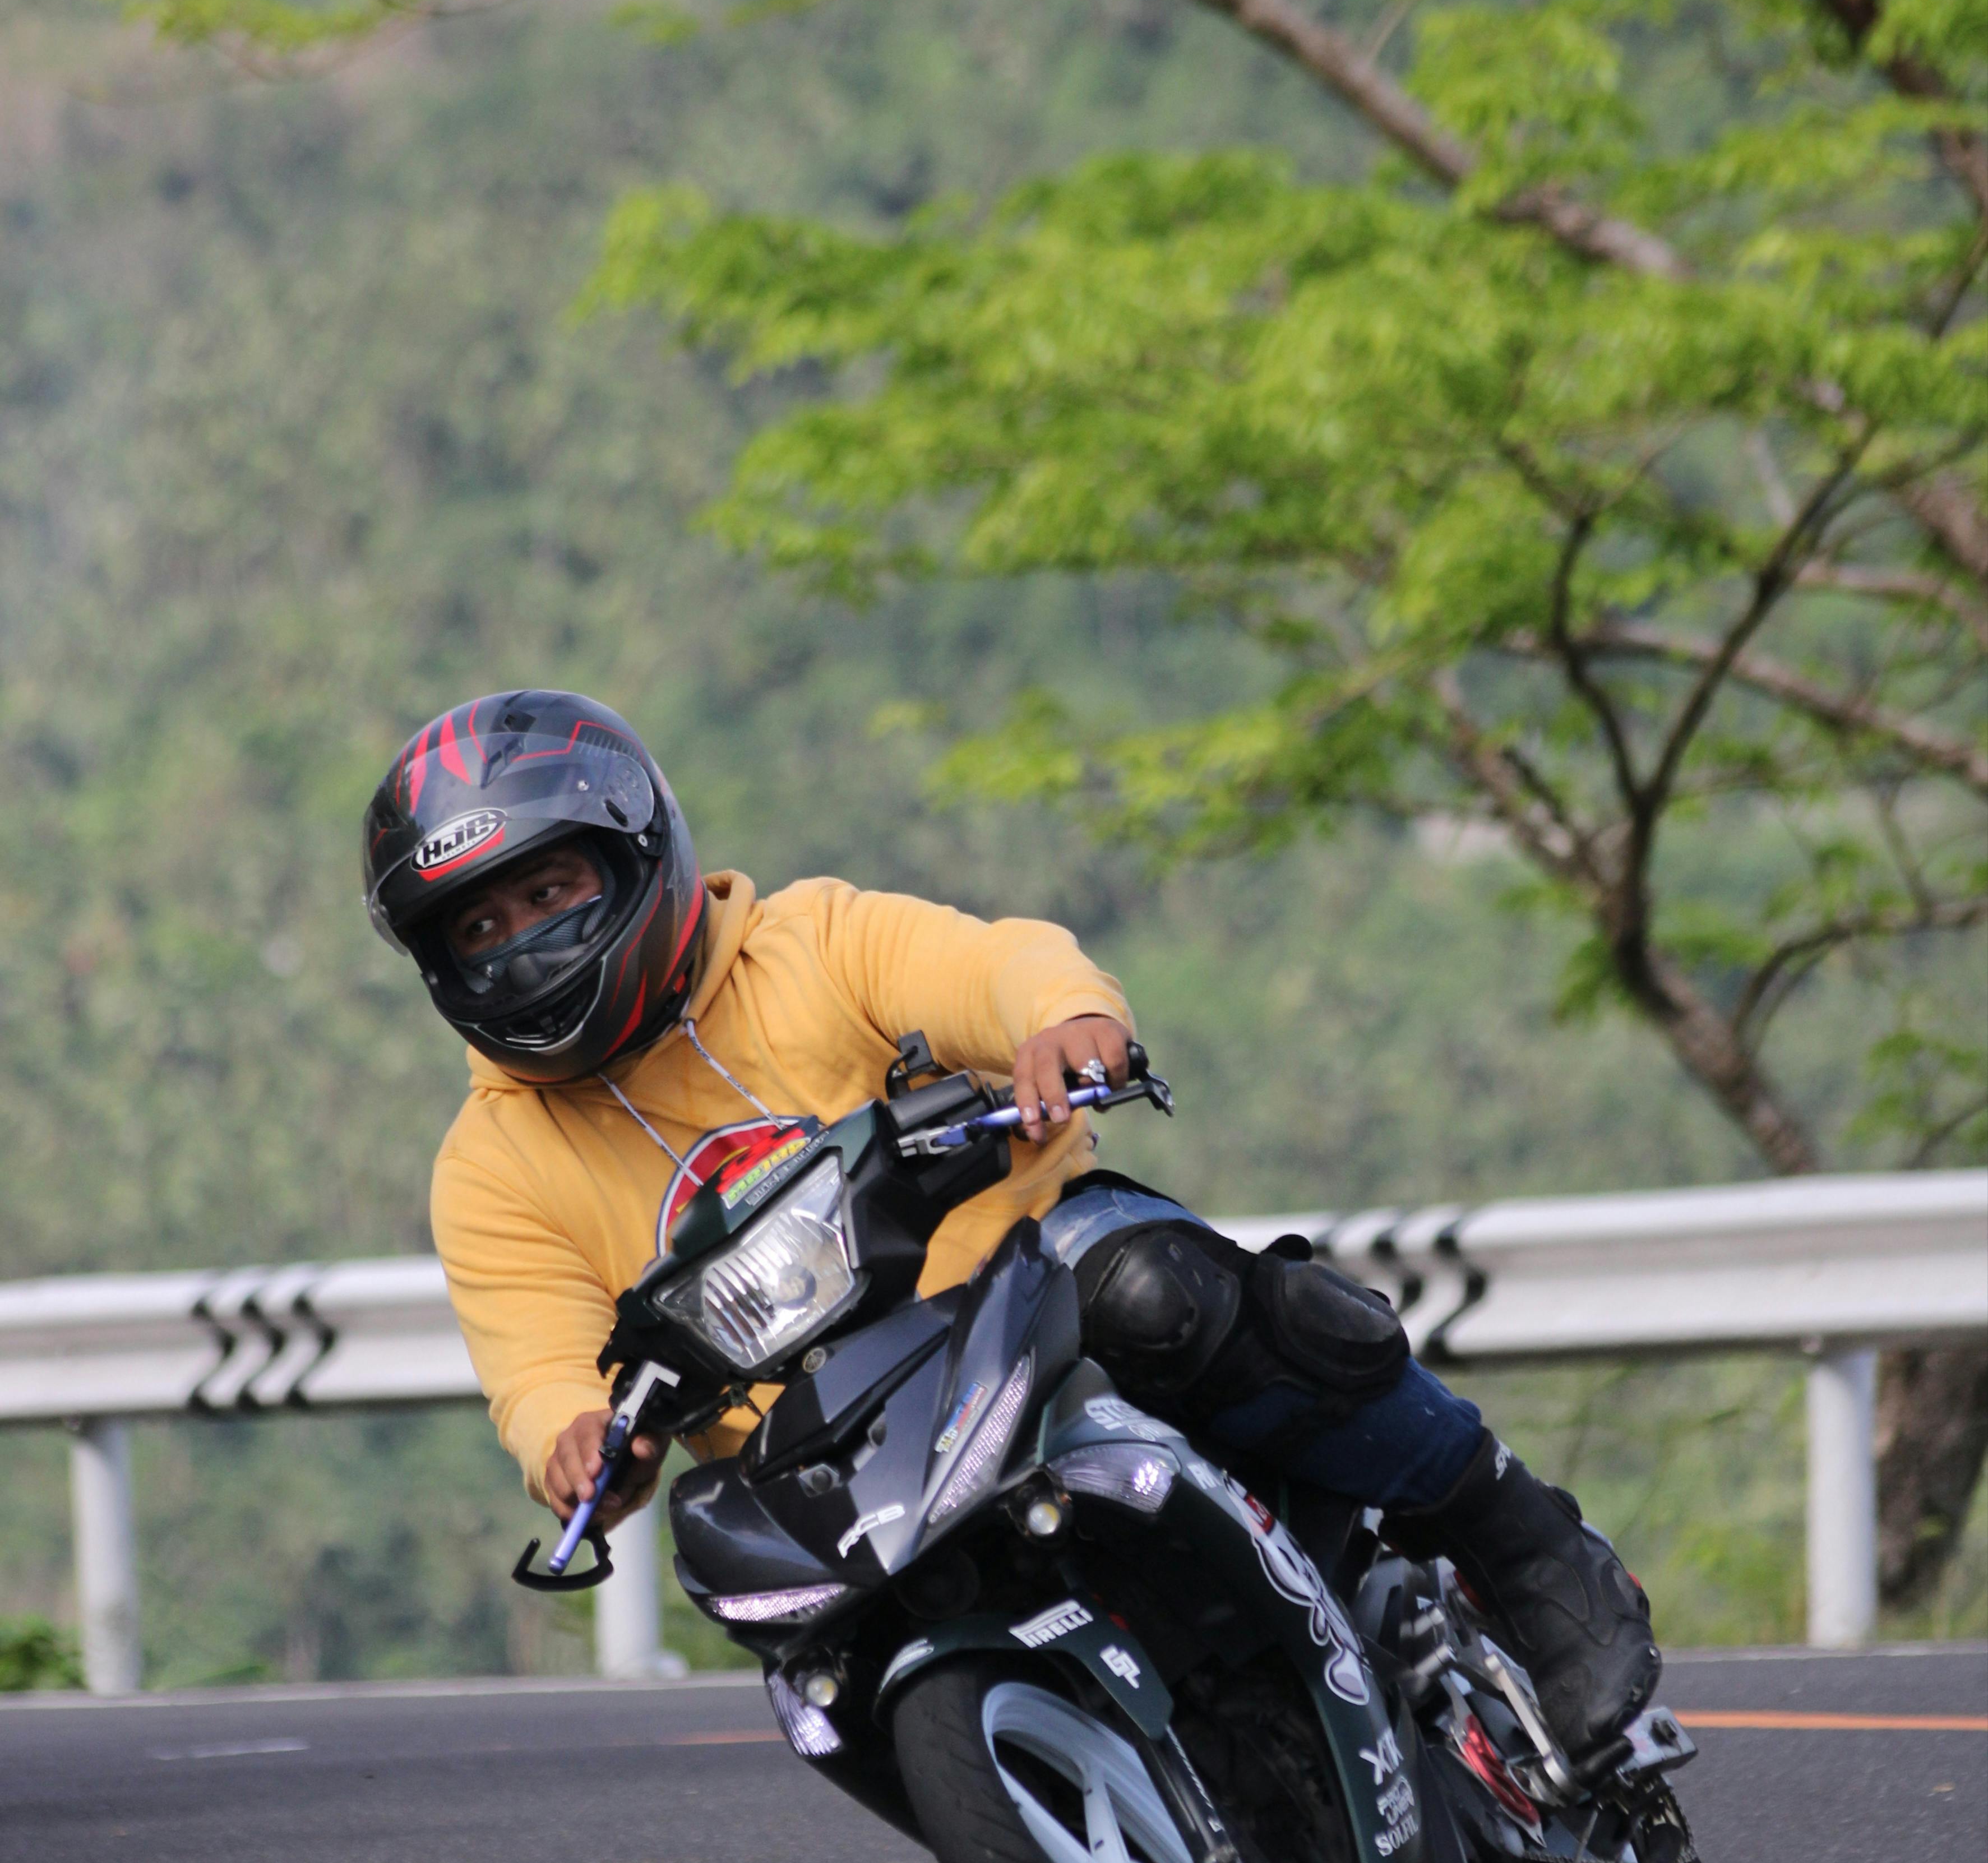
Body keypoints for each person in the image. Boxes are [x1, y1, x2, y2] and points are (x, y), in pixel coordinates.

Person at [365, 688, 1658, 1758]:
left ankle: (1521, 1539)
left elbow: (991, 965)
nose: (522, 941)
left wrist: (1062, 1019)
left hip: (1028, 1284)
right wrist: (571, 1436)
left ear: (638, 852)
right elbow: (535, 1354)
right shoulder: (491, 1164)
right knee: (783, 1622)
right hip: (824, 1446)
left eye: (547, 892)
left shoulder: (807, 944)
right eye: (479, 924)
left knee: (1164, 1292)